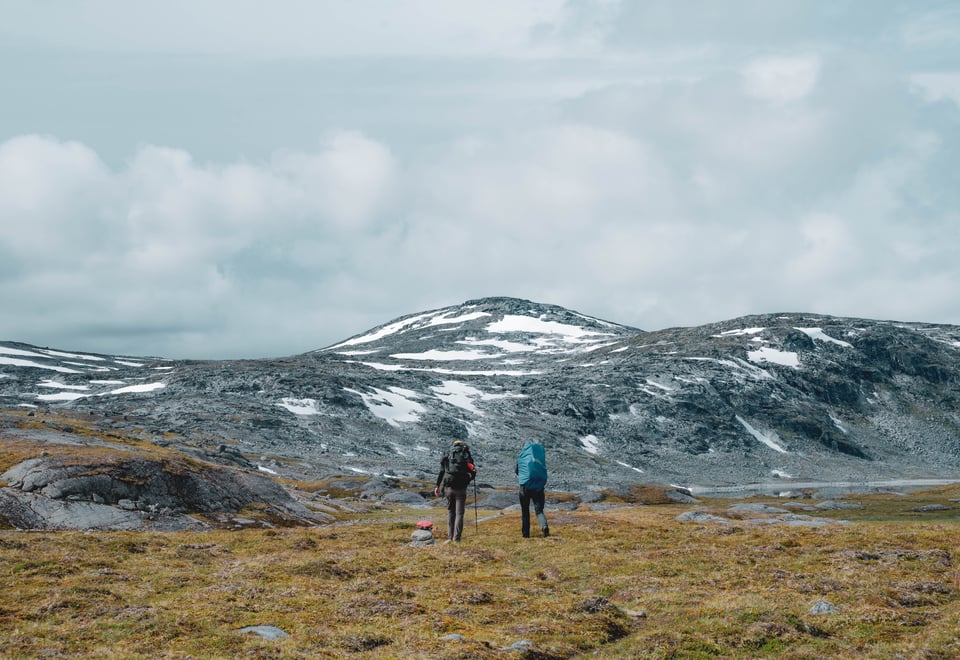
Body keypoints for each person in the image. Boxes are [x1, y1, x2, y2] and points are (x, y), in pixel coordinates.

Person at [434, 439, 475, 542]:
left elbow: (442, 471)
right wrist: (469, 478)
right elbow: (473, 471)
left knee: (451, 512)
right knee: (459, 514)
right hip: (461, 488)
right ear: (462, 445)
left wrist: (437, 485)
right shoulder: (465, 454)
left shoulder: (447, 453)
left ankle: (450, 537)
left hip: (448, 487)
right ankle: (456, 538)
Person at [516, 440, 549, 538]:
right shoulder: (538, 457)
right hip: (539, 488)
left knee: (525, 511)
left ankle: (525, 534)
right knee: (539, 510)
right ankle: (544, 526)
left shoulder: (522, 458)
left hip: (525, 488)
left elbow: (517, 471)